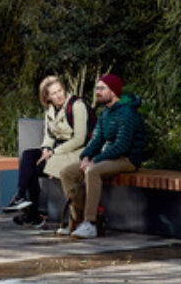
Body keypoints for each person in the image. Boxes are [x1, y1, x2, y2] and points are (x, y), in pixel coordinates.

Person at [57, 73, 146, 239]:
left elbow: (122, 146)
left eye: (101, 88)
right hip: (107, 157)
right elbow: (96, 139)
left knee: (92, 172)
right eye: (97, 88)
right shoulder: (105, 112)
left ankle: (90, 223)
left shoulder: (127, 113)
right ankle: (77, 220)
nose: (97, 91)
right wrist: (86, 156)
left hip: (127, 159)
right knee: (66, 172)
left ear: (113, 92)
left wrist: (95, 161)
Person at [3, 75, 92, 228]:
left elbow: (79, 139)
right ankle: (20, 196)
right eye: (54, 93)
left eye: (60, 90)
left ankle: (32, 214)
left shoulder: (77, 105)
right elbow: (49, 135)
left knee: (34, 169)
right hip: (57, 150)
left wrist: (54, 152)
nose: (59, 95)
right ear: (47, 97)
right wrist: (46, 148)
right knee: (28, 156)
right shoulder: (50, 110)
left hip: (76, 152)